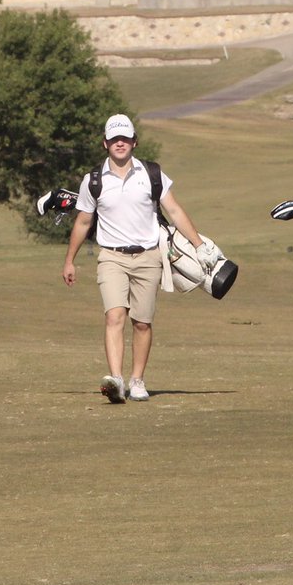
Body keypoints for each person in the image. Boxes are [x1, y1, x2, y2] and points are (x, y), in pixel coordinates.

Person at [61, 114, 216, 403]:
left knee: (142, 322)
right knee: (114, 315)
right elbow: (83, 222)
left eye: (125, 138)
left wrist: (199, 245)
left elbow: (176, 212)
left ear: (134, 142)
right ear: (105, 143)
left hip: (148, 256)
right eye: (114, 139)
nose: (120, 143)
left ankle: (137, 380)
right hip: (111, 257)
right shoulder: (93, 180)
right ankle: (117, 381)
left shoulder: (152, 174)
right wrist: (70, 260)